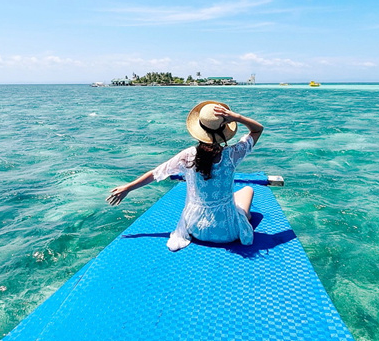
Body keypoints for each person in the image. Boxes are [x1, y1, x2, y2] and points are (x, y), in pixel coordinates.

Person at [106, 101, 264, 251]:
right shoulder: (232, 155)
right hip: (228, 233)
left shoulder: (189, 155)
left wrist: (128, 187)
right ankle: (241, 215)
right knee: (247, 190)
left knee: (233, 200)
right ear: (224, 130)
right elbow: (257, 129)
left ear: (199, 130)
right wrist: (237, 117)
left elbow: (156, 174)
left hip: (196, 229)